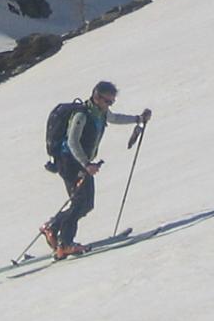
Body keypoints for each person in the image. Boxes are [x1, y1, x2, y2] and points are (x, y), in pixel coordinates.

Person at [40, 80, 151, 259]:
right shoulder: (82, 115)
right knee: (80, 202)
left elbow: (115, 118)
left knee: (86, 204)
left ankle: (53, 228)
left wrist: (137, 119)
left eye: (111, 102)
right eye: (107, 101)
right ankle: (65, 243)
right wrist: (86, 164)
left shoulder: (100, 113)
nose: (109, 105)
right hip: (69, 162)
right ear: (96, 97)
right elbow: (72, 142)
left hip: (80, 163)